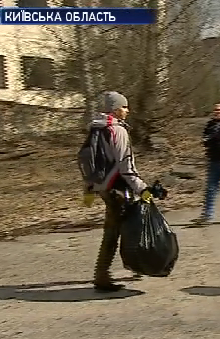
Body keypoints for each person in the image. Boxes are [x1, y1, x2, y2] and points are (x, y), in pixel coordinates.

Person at [83, 91, 153, 292]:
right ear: (114, 109)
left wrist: (88, 192)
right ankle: (103, 275)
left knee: (118, 230)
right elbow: (126, 168)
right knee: (118, 232)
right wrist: (144, 190)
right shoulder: (117, 131)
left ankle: (116, 270)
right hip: (118, 189)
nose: (127, 110)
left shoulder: (95, 129)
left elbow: (89, 163)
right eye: (124, 106)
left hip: (103, 188)